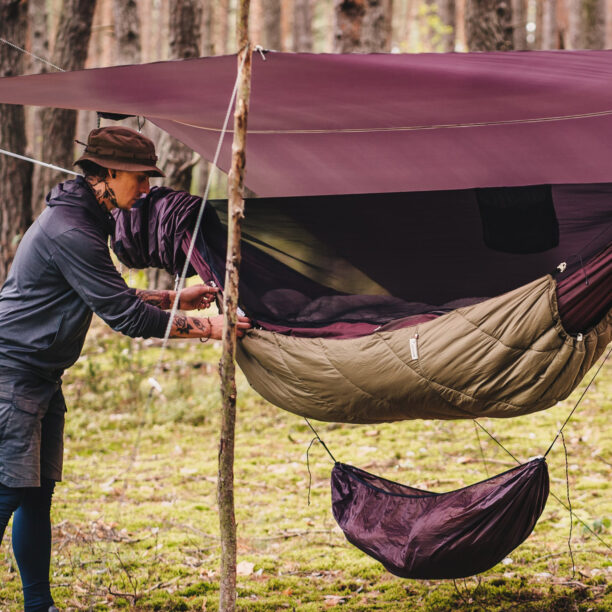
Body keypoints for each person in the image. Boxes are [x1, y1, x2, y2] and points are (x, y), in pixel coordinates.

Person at [0, 126, 251, 612]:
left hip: (40, 376)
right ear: (108, 173)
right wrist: (211, 327)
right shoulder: (71, 228)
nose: (146, 188)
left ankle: (38, 606)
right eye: (139, 178)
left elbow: (103, 292)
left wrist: (175, 297)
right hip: (12, 374)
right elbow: (126, 317)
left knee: (35, 494)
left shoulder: (85, 217)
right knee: (9, 488)